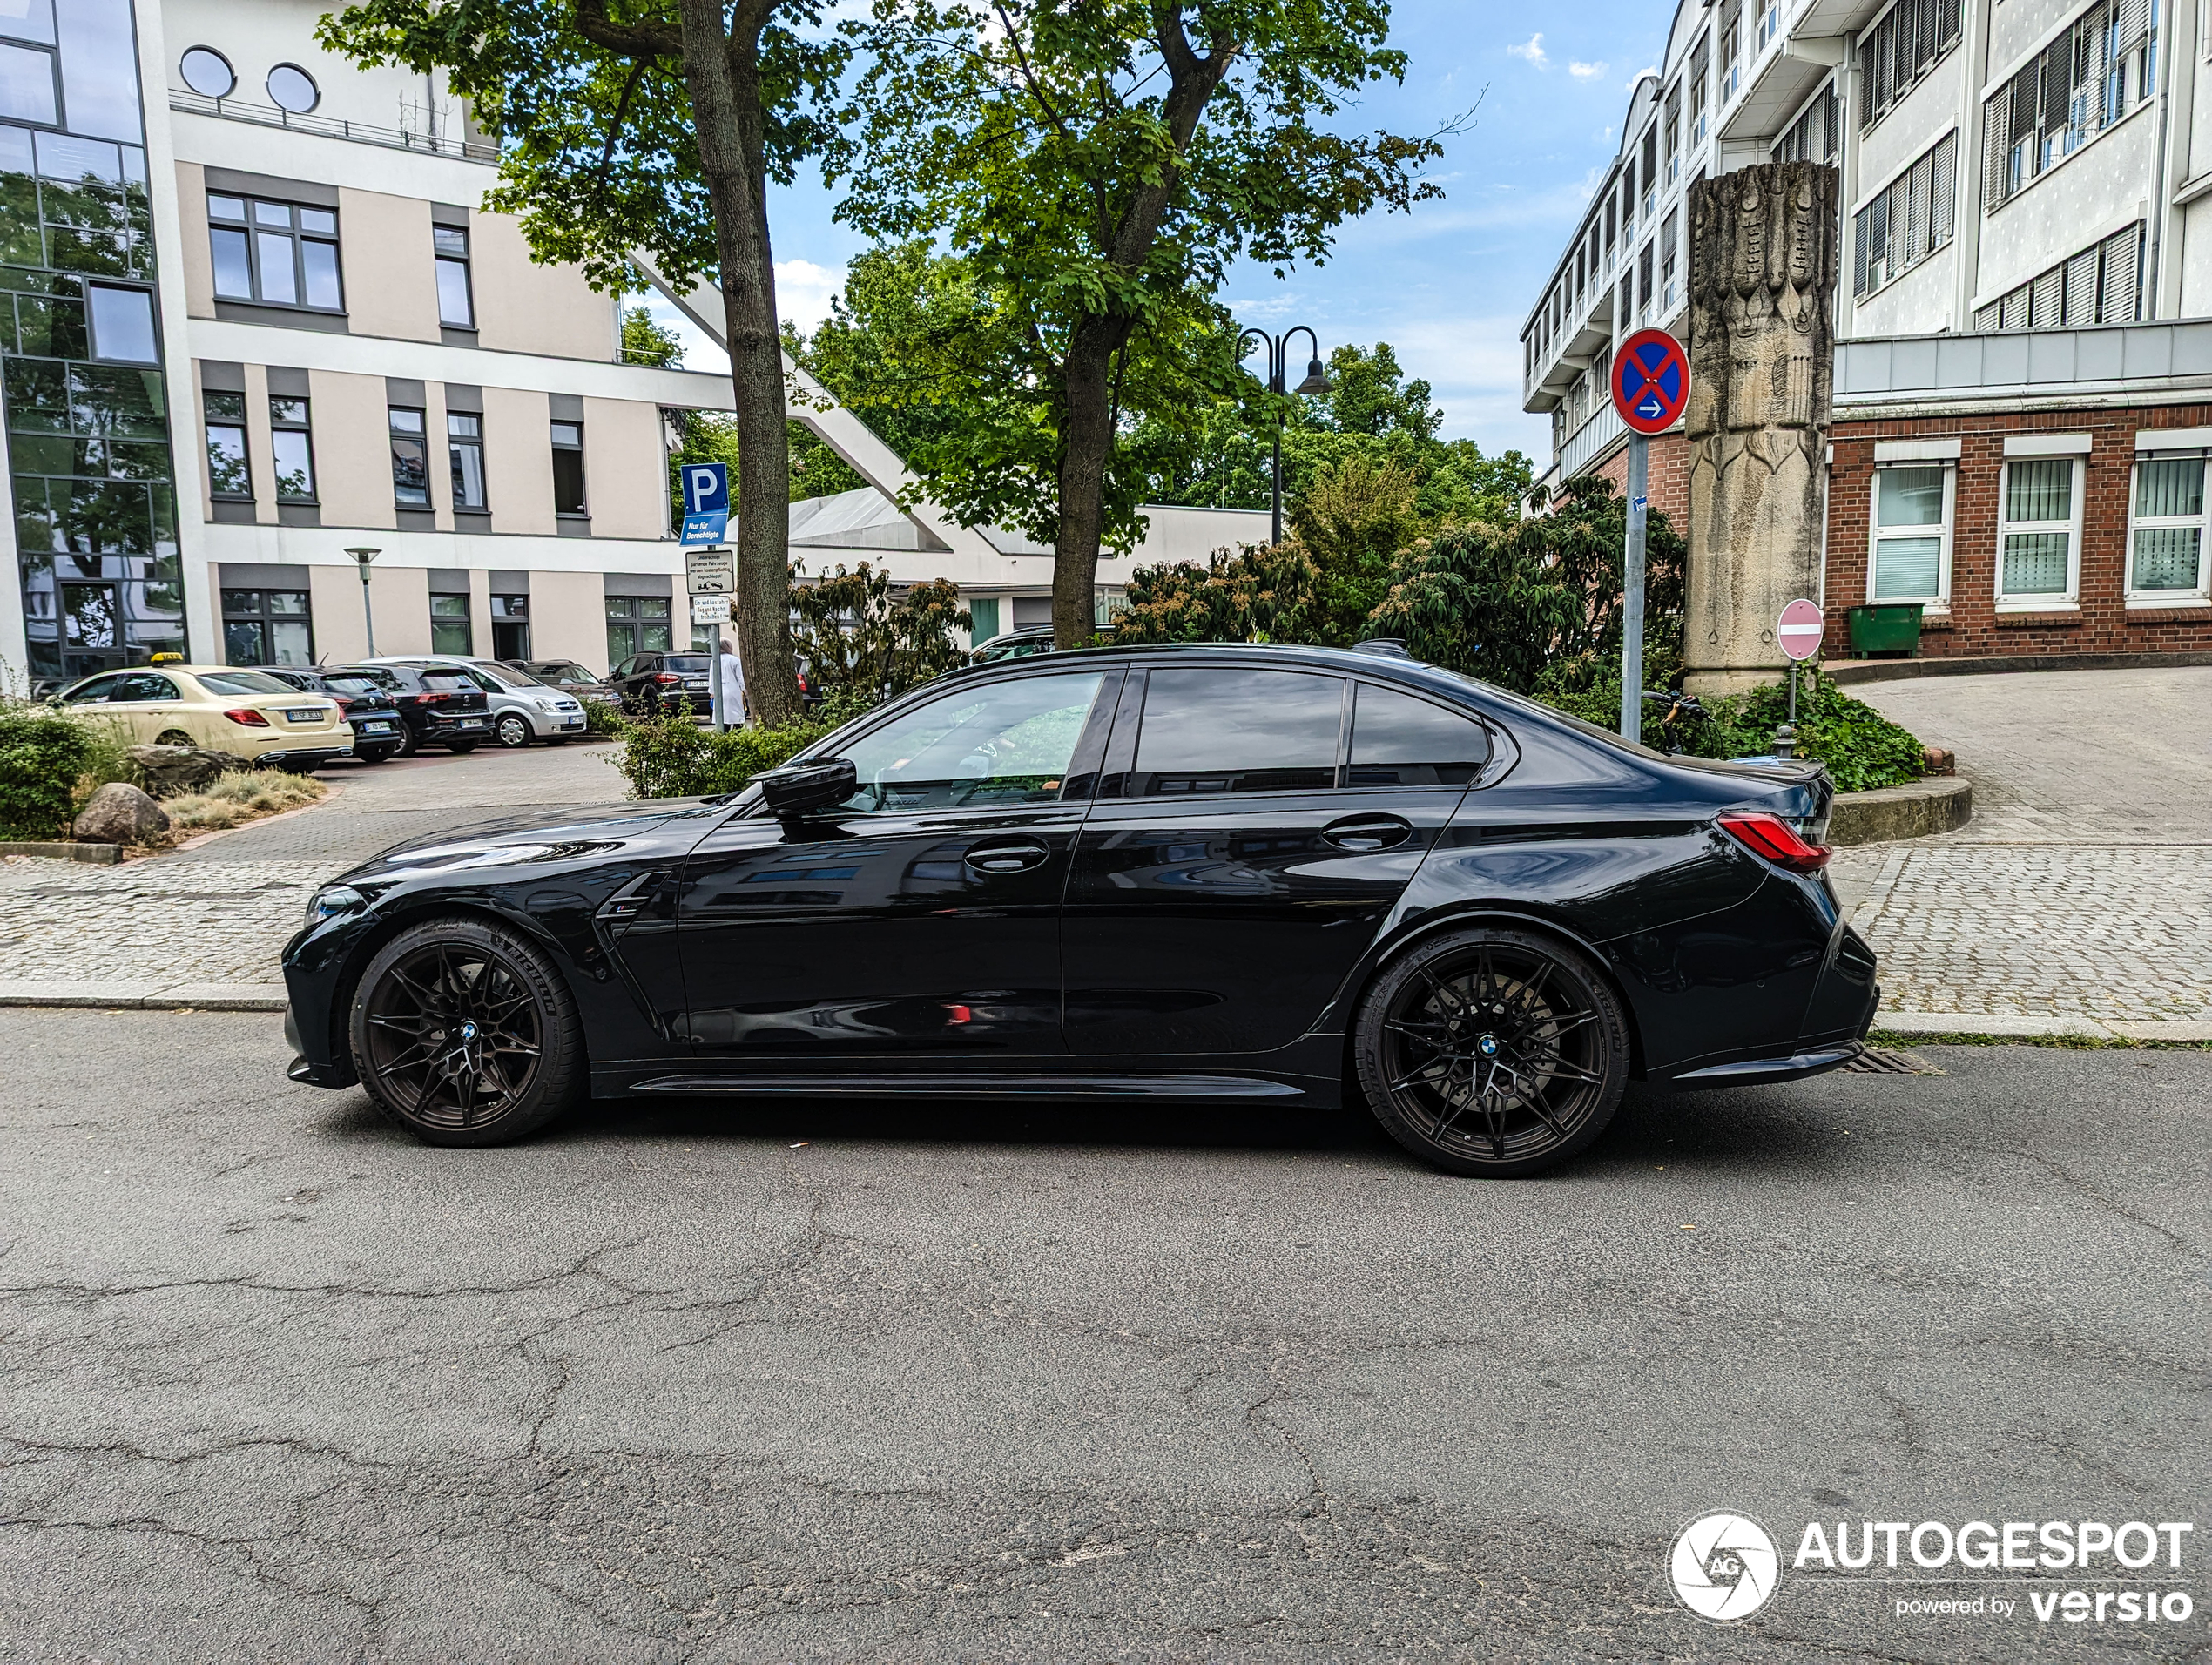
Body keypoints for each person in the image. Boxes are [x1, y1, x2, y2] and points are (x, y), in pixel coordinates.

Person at [717, 637, 746, 728]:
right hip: (734, 691)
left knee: (723, 718)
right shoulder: (735, 660)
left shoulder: (715, 661)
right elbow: (740, 677)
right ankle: (737, 735)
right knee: (737, 717)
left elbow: (712, 678)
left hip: (720, 692)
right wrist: (744, 690)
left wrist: (712, 692)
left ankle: (724, 737)